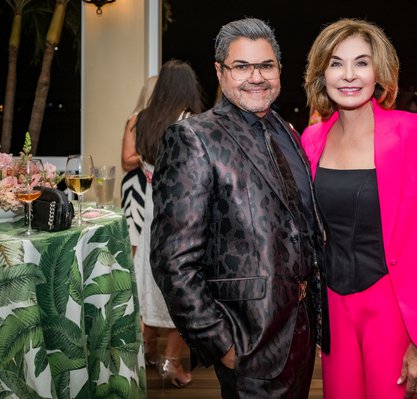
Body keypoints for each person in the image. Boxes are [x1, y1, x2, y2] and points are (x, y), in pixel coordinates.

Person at [301, 18, 417, 399]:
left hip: (396, 311)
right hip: (334, 312)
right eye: (336, 63)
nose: (349, 75)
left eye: (361, 62)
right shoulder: (312, 139)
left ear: (379, 73)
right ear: (322, 74)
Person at [150, 18, 326, 399]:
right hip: (248, 339)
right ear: (220, 71)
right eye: (241, 66)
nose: (256, 77)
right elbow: (173, 260)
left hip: (299, 328)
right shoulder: (193, 137)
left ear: (279, 69)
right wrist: (221, 345)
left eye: (265, 65)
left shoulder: (288, 131)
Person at [134, 59, 204, 388]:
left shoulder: (144, 120)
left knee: (150, 279)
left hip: (150, 209)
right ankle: (171, 362)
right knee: (181, 283)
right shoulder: (190, 122)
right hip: (181, 211)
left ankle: (146, 350)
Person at [120, 75, 157, 257]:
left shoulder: (157, 122)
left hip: (150, 184)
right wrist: (149, 156)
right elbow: (126, 160)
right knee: (135, 242)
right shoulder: (135, 120)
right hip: (137, 185)